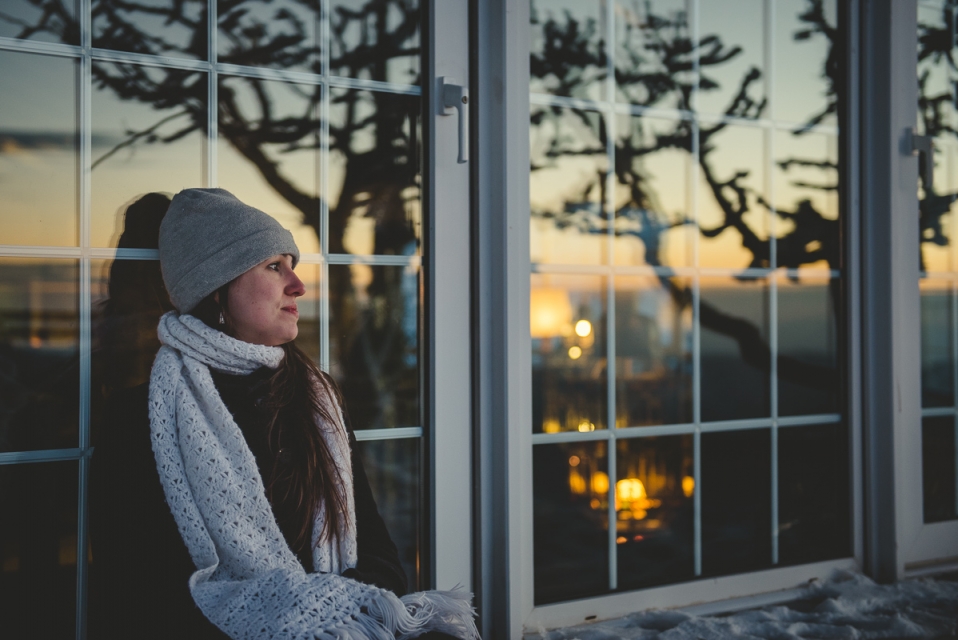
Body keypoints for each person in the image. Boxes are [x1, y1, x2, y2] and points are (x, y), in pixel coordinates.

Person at [90, 188, 477, 639]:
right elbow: (137, 593)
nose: (298, 285)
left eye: (293, 266)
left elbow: (380, 558)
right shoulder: (140, 419)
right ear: (215, 288)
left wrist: (324, 614)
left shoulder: (318, 399)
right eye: (274, 267)